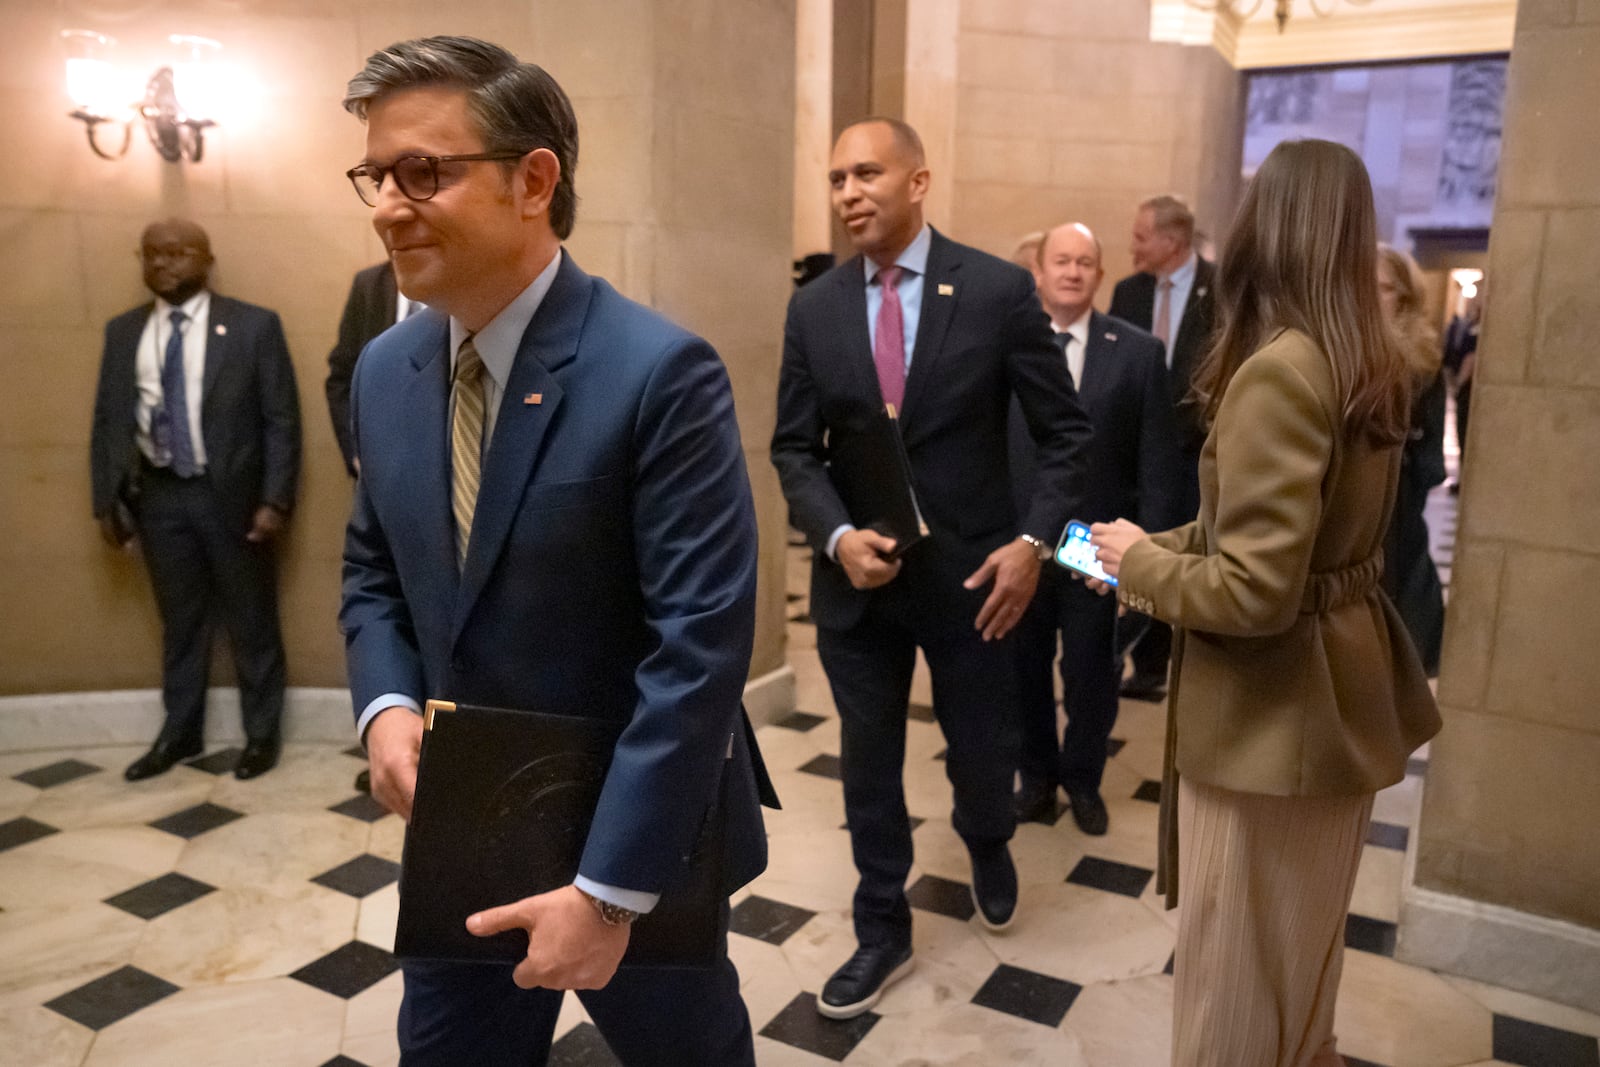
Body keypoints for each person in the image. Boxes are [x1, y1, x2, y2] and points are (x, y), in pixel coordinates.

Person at [338, 36, 772, 1064]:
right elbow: (373, 570)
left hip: (634, 828)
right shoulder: (384, 368)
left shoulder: (660, 371)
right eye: (374, 174)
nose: (385, 205)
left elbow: (697, 651)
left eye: (423, 173)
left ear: (534, 180)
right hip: (461, 826)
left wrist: (609, 892)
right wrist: (385, 704)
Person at [1090, 139, 1441, 1067]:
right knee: (1299, 980)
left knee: (1234, 996)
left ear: (1266, 229)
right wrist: (1148, 546)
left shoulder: (1281, 371)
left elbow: (1255, 590)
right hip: (1337, 709)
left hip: (1269, 727)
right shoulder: (1365, 356)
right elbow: (1308, 545)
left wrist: (1139, 571)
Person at [771, 117, 1092, 1020]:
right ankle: (881, 924)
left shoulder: (993, 291)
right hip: (860, 587)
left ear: (918, 182)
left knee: (981, 752)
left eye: (866, 172)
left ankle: (988, 840)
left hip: (977, 583)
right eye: (836, 179)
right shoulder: (815, 307)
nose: (848, 193)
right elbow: (795, 449)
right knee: (866, 765)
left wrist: (1033, 547)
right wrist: (836, 537)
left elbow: (1067, 436)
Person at [90, 218, 301, 782]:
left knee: (251, 621)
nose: (162, 264)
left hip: (231, 498)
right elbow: (108, 419)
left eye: (177, 253)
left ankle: (261, 738)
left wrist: (275, 500)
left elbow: (281, 419)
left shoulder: (253, 327)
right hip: (159, 498)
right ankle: (179, 734)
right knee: (180, 624)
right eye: (152, 255)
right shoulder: (123, 331)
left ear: (206, 259)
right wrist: (104, 500)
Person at [1009, 223, 1182, 835]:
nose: (1074, 271)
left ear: (1100, 275)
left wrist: (1138, 556)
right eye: (1062, 260)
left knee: (1091, 676)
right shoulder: (1011, 347)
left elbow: (1157, 466)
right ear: (1040, 270)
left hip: (1094, 550)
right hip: (1025, 546)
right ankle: (1036, 778)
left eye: (1086, 261)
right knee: (1023, 670)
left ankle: (1082, 780)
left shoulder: (1136, 352)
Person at [1108, 194, 1217, 701]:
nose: (1132, 246)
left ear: (1171, 242)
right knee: (1141, 541)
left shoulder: (1220, 291)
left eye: (1140, 236)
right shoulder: (1129, 292)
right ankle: (1141, 660)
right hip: (1135, 453)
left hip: (1195, 452)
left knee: (1186, 550)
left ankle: (1173, 657)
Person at [1377, 244, 1447, 675]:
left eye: (1380, 288)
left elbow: (1430, 463)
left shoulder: (1422, 366)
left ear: (1403, 298)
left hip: (1398, 526)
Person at [326, 260, 425, 476]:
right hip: (377, 466)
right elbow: (341, 378)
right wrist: (356, 452)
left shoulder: (460, 281)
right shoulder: (370, 284)